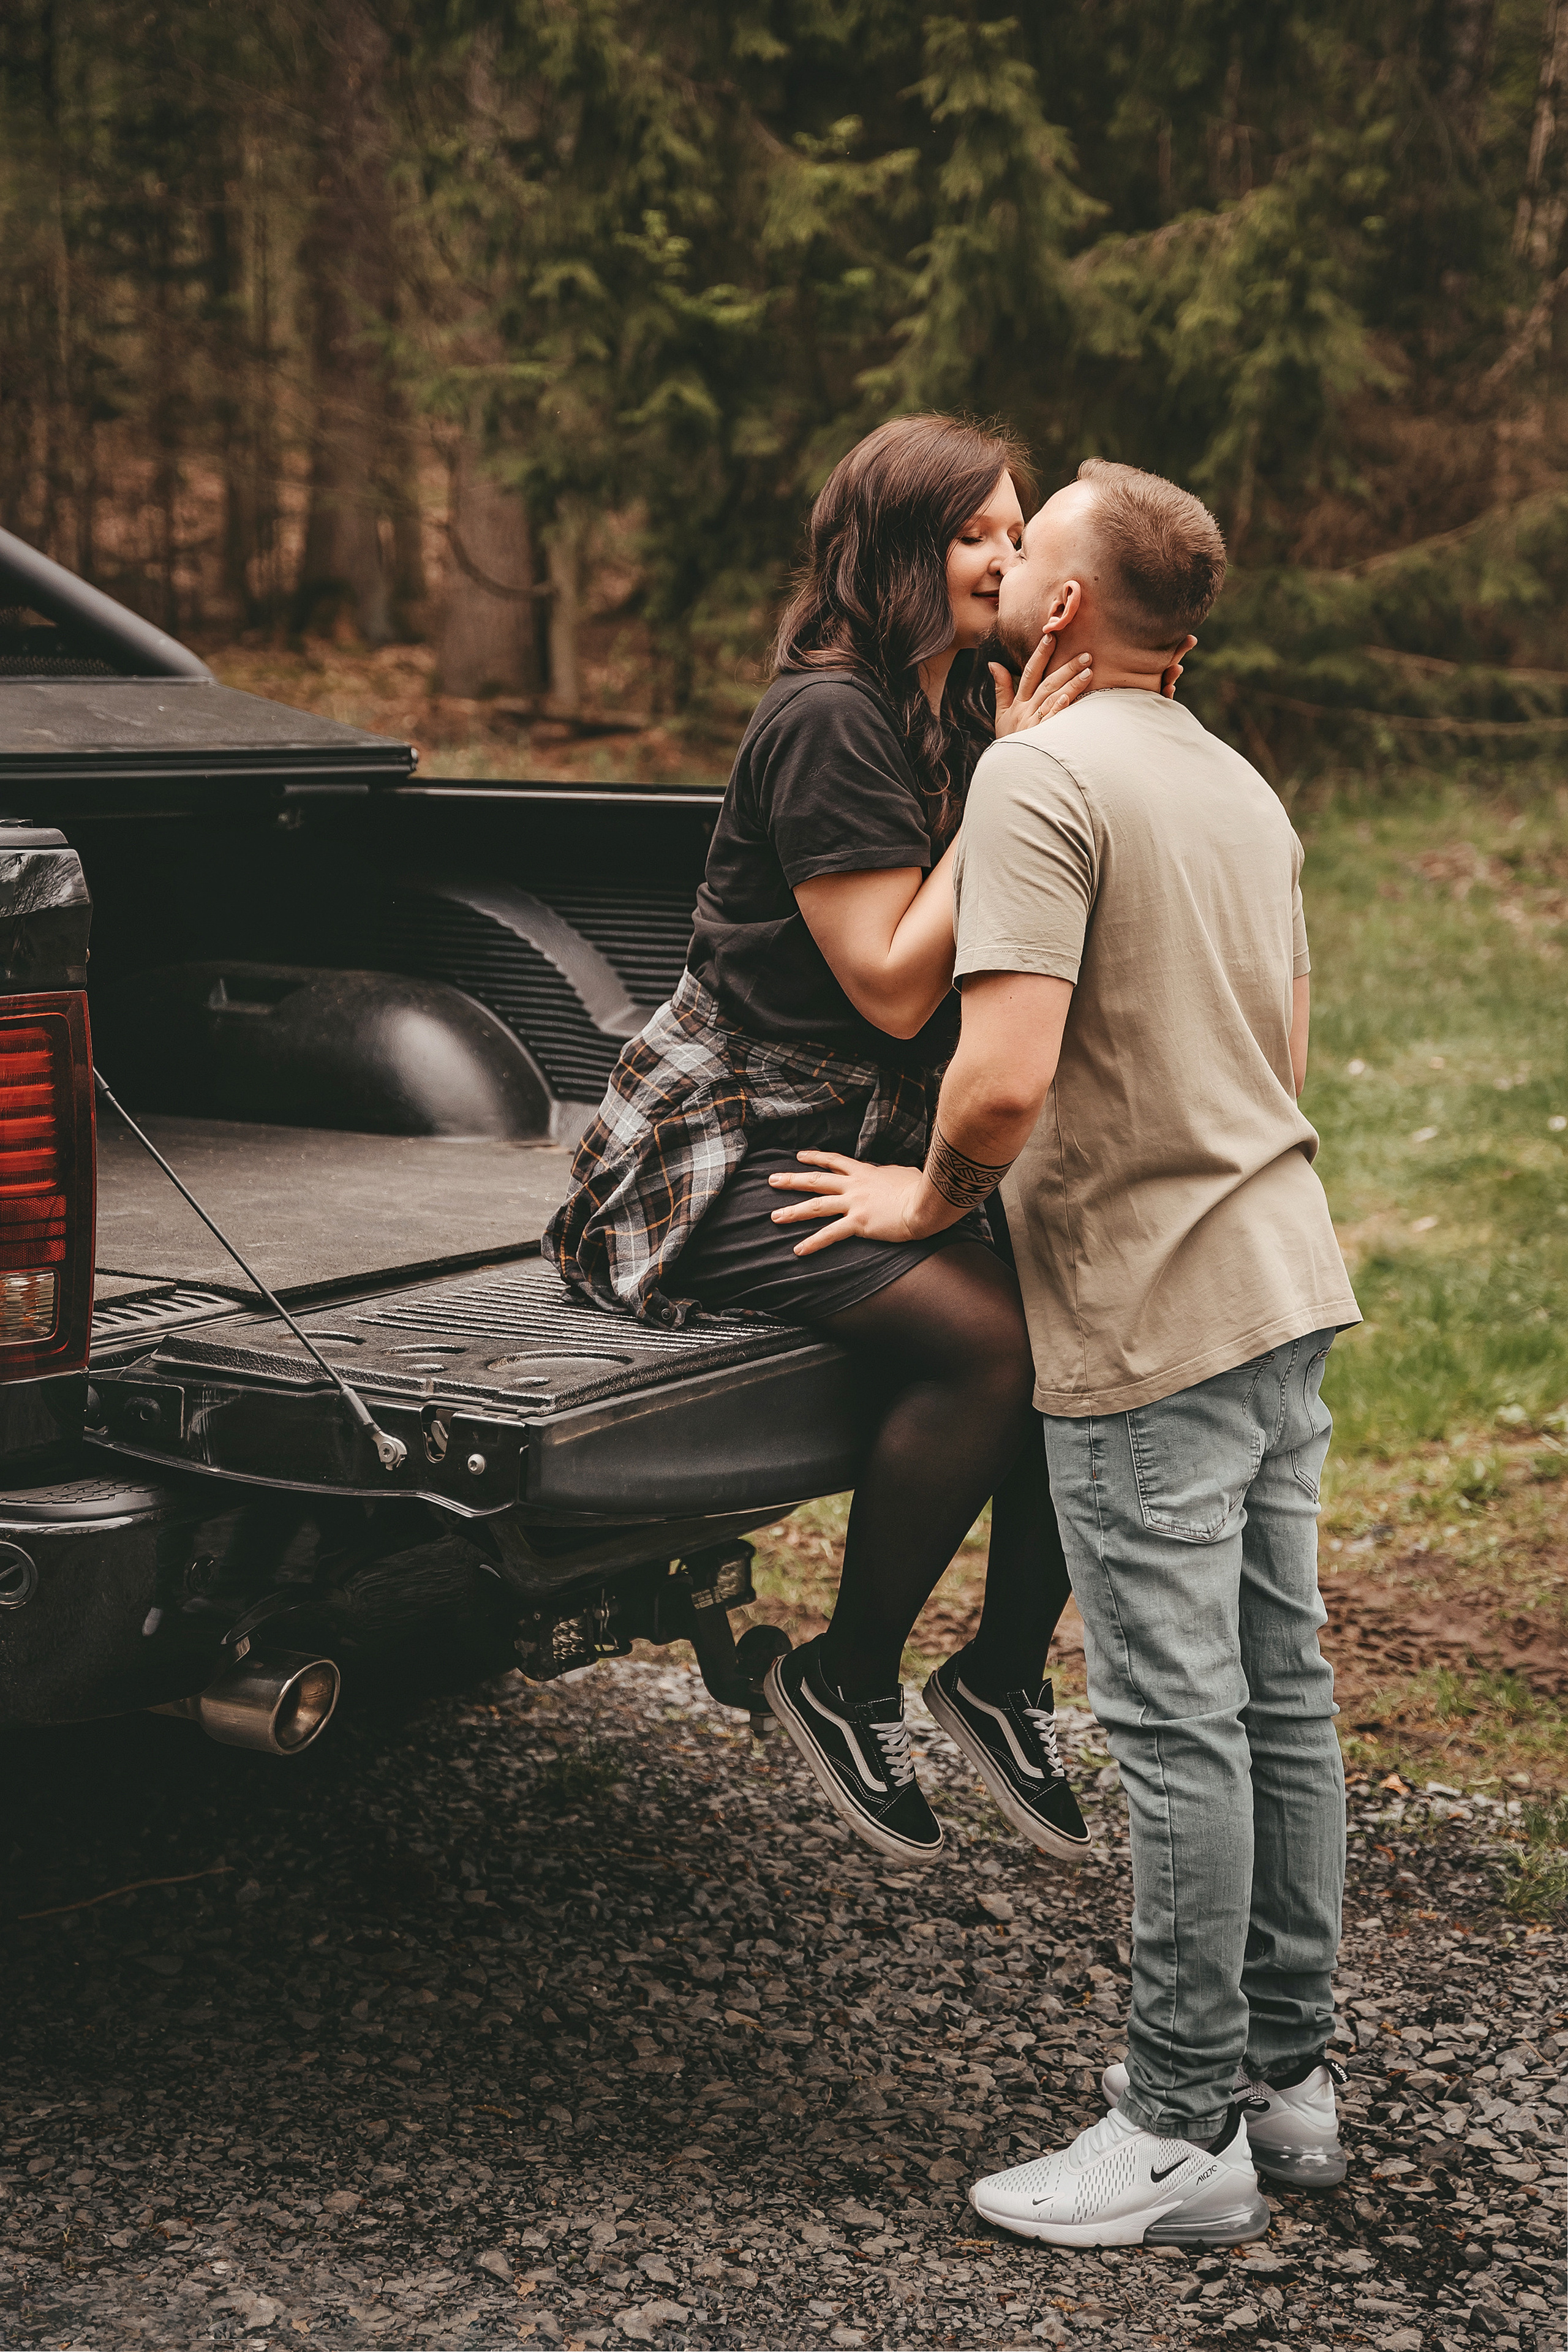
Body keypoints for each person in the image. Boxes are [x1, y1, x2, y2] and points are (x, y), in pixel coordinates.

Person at [764, 457, 1361, 2248]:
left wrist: (924, 1196)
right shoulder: (1241, 788)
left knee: (1178, 1729)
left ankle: (1177, 2132)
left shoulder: (1040, 772)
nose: (1013, 559)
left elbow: (1003, 1073)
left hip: (1152, 1313)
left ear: (1073, 613)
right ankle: (1287, 2082)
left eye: (1042, 543)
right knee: (1282, 1696)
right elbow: (1288, 1050)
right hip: (1282, 1278)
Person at [547, 415, 1159, 1871]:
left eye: (1013, 534)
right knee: (994, 1348)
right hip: (728, 1141)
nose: (1004, 558)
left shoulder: (953, 703)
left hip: (864, 1125)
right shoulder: (829, 715)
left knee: (1089, 1319)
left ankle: (1002, 1678)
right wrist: (1008, 783)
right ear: (893, 548)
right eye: (973, 533)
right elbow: (890, 975)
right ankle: (843, 1676)